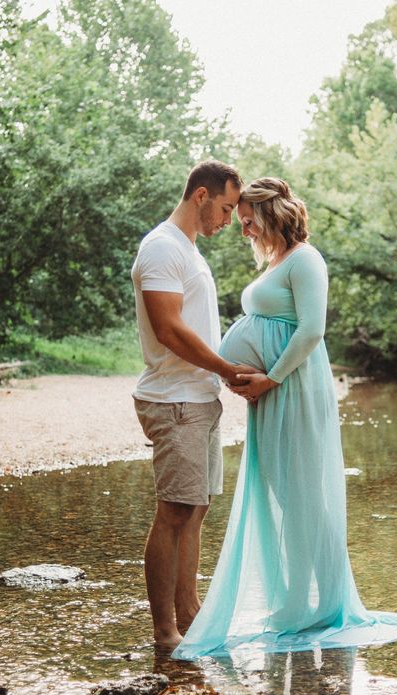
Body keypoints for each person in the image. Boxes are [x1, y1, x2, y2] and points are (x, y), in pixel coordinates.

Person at [172, 177, 397, 660]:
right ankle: (293, 600)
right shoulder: (276, 261)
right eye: (239, 219)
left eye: (247, 220)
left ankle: (328, 604)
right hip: (271, 396)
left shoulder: (307, 259)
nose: (243, 229)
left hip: (294, 389)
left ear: (271, 212)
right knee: (282, 495)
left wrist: (270, 378)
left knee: (307, 494)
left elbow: (312, 331)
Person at [132, 160, 257, 648]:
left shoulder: (188, 250)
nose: (229, 220)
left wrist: (223, 373)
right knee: (174, 511)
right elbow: (168, 329)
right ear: (201, 196)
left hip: (199, 398)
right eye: (226, 208)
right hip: (175, 400)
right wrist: (227, 369)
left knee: (196, 510)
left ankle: (190, 612)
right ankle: (165, 630)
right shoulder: (162, 247)